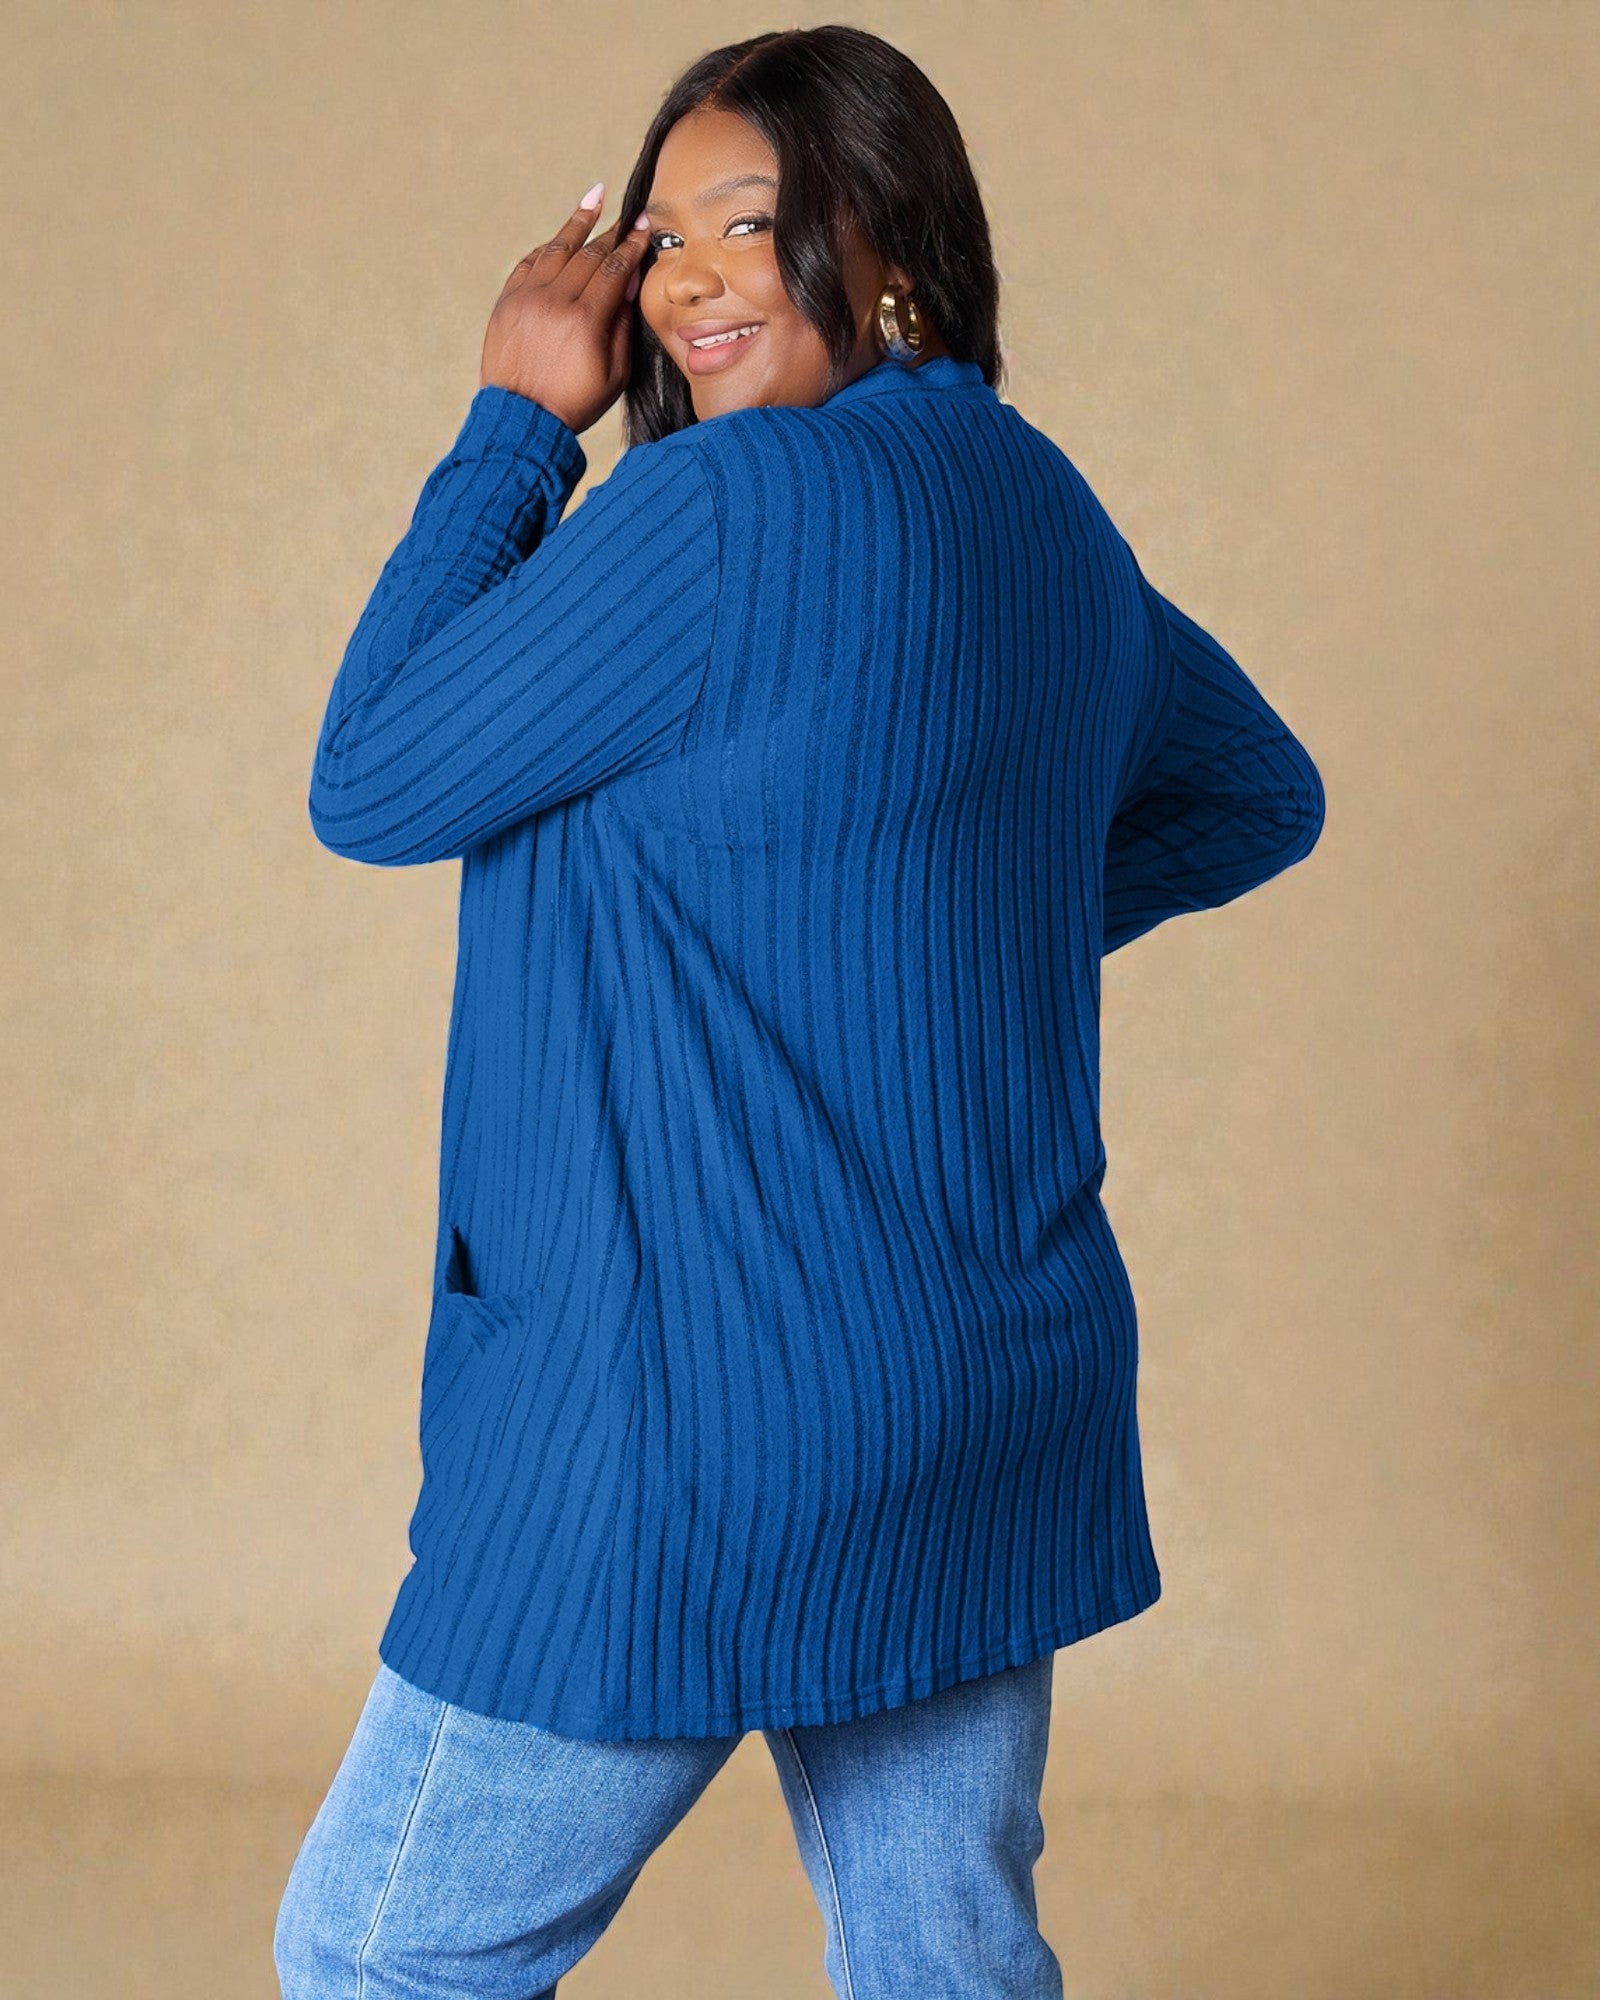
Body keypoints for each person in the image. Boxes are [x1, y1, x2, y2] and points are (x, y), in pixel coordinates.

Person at [275, 25, 1325, 1999]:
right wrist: (946, 921)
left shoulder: (711, 518)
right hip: (969, 1401)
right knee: (938, 1954)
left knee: (374, 1954)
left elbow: (373, 778)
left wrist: (516, 417)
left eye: (744, 224)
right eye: (656, 235)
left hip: (684, 1424)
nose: (679, 280)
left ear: (895, 248)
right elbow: (1257, 789)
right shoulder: (1039, 513)